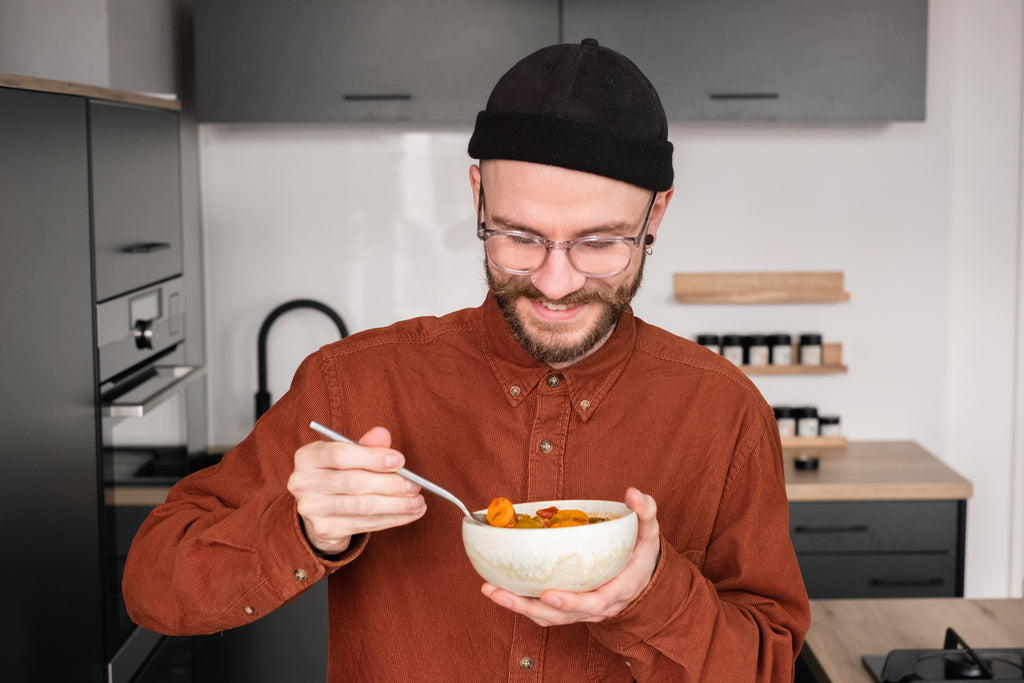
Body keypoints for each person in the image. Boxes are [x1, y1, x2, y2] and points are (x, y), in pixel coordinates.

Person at [124, 39, 810, 681]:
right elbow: (153, 584)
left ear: (655, 217)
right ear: (477, 194)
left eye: (600, 243)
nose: (556, 281)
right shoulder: (354, 382)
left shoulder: (724, 411)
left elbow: (771, 664)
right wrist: (302, 530)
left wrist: (655, 594)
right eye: (520, 236)